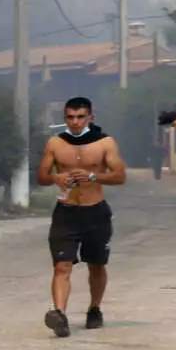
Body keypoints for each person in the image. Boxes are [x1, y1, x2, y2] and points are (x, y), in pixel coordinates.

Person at [36, 96, 125, 337]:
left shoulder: (105, 143)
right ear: (65, 118)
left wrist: (94, 177)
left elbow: (119, 176)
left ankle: (94, 308)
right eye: (70, 117)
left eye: (80, 117)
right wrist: (56, 178)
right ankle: (60, 315)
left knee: (96, 265)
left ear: (90, 117)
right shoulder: (55, 143)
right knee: (62, 265)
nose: (75, 122)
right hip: (66, 212)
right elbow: (42, 177)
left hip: (95, 211)